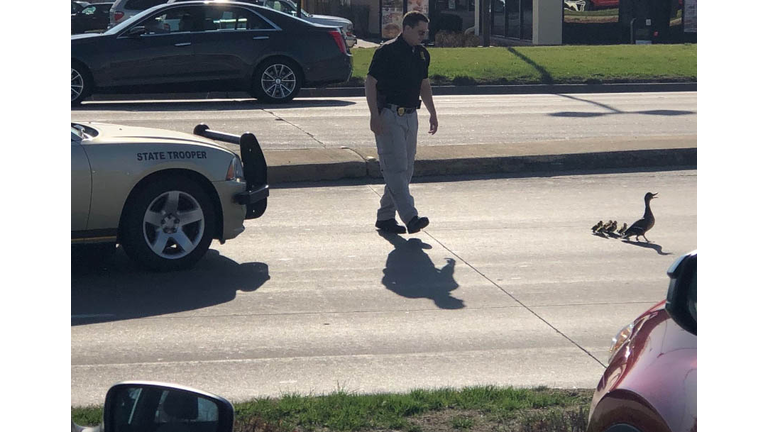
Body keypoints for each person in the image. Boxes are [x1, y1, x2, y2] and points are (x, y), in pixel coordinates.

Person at [365, 11, 438, 235]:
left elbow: (424, 85)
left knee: (405, 171)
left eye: (425, 33)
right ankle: (410, 217)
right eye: (419, 32)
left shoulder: (422, 54)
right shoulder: (386, 51)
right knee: (395, 168)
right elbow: (370, 83)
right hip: (389, 115)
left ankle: (385, 217)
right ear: (406, 28)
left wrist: (432, 113)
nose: (423, 36)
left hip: (411, 115)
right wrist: (374, 116)